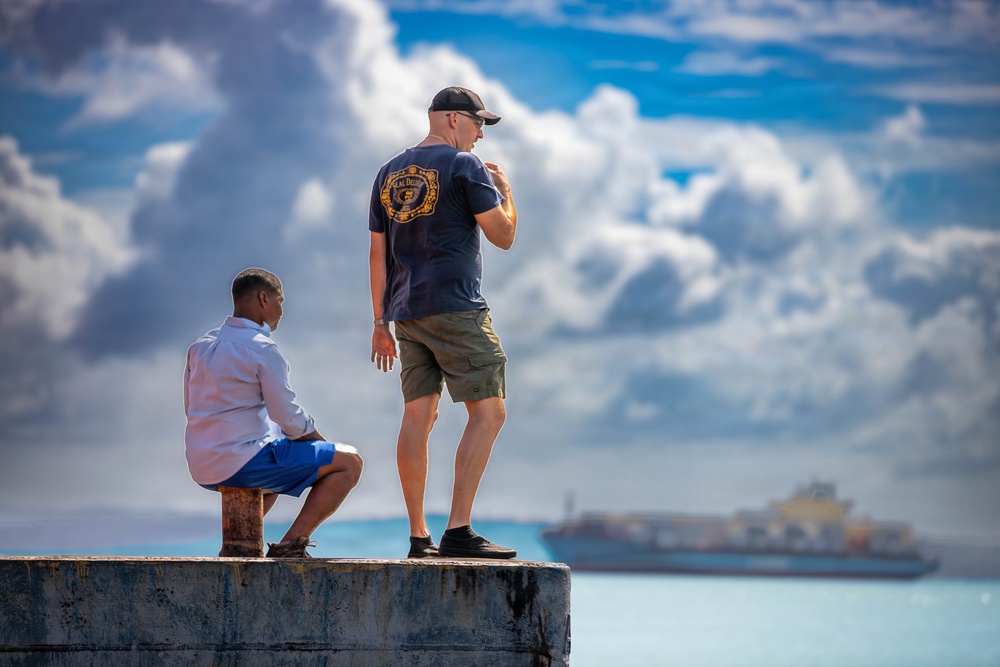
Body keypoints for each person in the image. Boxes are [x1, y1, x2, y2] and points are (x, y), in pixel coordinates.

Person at [368, 86, 518, 559]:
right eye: (478, 124)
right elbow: (503, 236)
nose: (479, 136)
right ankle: (458, 530)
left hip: (406, 312)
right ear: (454, 119)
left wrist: (380, 322)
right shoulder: (465, 166)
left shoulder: (388, 172)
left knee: (419, 416)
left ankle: (418, 536)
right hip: (455, 305)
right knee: (489, 412)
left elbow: (377, 252)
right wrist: (507, 193)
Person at [184, 267, 363, 558]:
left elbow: (191, 407)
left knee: (279, 465)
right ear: (264, 299)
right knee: (349, 463)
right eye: (281, 300)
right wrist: (320, 442)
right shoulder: (262, 349)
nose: (282, 309)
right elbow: (288, 418)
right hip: (241, 463)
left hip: (201, 464)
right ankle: (290, 546)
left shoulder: (200, 347)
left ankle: (238, 545)